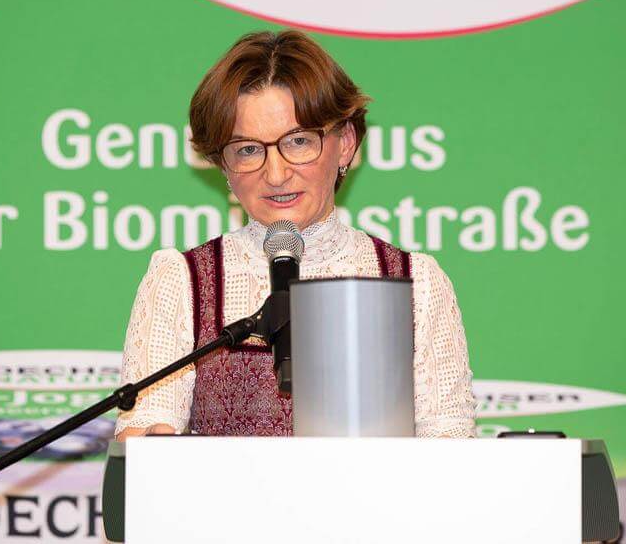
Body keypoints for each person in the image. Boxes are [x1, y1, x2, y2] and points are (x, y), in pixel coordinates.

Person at [115, 30, 476, 439]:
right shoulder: (181, 280)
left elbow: (451, 450)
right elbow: (142, 438)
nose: (275, 173)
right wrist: (149, 444)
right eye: (248, 149)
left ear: (345, 145)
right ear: (223, 167)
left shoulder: (416, 282)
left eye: (299, 141)